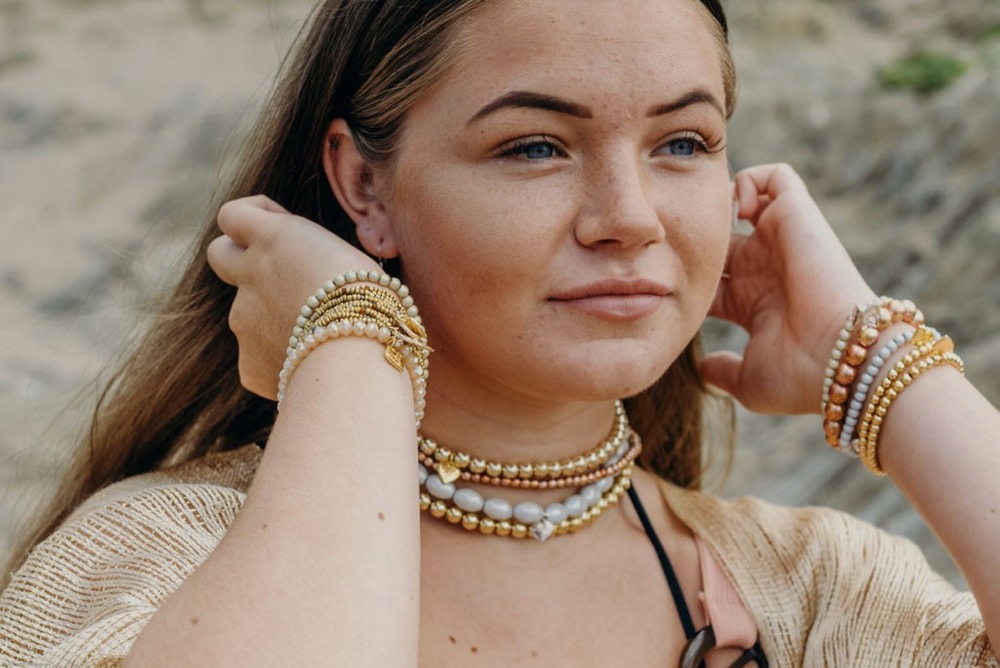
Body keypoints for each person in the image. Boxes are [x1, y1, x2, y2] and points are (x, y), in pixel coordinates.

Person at [1, 0, 997, 665]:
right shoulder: (157, 553)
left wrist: (880, 365)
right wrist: (353, 347)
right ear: (361, 184)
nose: (630, 215)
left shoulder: (808, 592)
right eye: (534, 145)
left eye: (682, 142)